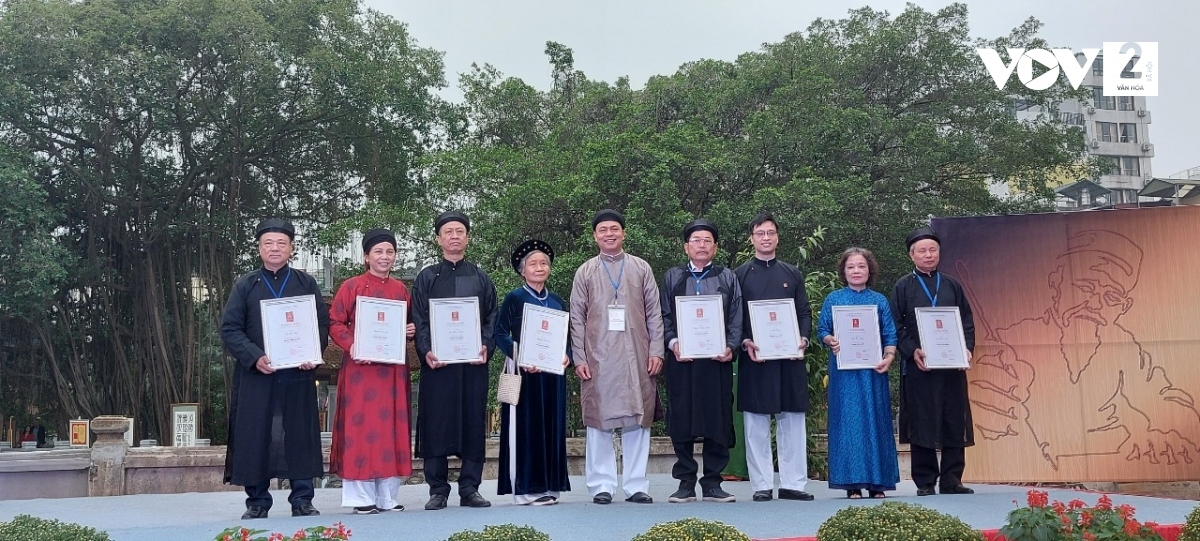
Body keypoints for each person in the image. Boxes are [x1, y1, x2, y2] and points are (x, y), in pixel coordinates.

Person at [220, 218, 329, 519]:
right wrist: (254, 356)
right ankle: (257, 502)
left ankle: (302, 499)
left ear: (291, 248)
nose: (275, 248)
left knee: (300, 433)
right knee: (256, 434)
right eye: (268, 243)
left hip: (297, 374)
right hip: (258, 374)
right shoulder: (245, 285)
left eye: (281, 243)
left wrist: (312, 353)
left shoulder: (305, 283)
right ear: (259, 248)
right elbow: (230, 328)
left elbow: (321, 324)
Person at [569, 209, 664, 505]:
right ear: (595, 236)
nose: (609, 234)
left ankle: (636, 484)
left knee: (638, 418)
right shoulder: (585, 271)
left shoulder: (641, 268)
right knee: (599, 420)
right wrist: (579, 357)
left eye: (614, 229)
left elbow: (654, 314)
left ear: (624, 233)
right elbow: (576, 319)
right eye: (603, 230)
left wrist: (657, 350)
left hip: (637, 354)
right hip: (598, 357)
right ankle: (602, 485)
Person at [411, 210, 498, 510]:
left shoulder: (480, 277)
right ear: (439, 239)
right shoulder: (426, 278)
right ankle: (437, 489)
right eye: (448, 232)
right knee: (437, 422)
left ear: (467, 238)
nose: (454, 236)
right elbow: (419, 319)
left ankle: (470, 487)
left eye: (460, 231)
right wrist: (426, 351)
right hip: (439, 366)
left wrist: (486, 346)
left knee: (473, 421)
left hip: (472, 365)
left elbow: (492, 318)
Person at [328, 229, 417, 514]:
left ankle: (387, 497)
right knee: (361, 428)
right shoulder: (351, 286)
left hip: (391, 371)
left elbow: (408, 324)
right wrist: (352, 344)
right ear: (366, 256)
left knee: (391, 428)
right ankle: (360, 498)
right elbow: (334, 323)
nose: (384, 257)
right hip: (360, 370)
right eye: (378, 251)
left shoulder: (401, 290)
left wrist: (410, 330)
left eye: (389, 252)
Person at [661, 218, 744, 504]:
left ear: (715, 247)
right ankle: (685, 481)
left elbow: (736, 317)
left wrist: (731, 346)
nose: (701, 245)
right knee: (681, 418)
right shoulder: (673, 277)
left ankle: (712, 482)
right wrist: (672, 343)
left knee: (717, 418)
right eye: (696, 240)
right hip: (681, 360)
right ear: (686, 247)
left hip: (716, 360)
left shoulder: (727, 277)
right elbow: (664, 316)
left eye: (707, 240)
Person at [733, 213, 814, 502]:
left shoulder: (792, 273)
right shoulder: (739, 275)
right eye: (760, 233)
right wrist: (745, 341)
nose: (766, 238)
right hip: (756, 358)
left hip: (789, 358)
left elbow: (804, 313)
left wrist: (803, 339)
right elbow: (734, 317)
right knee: (756, 422)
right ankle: (762, 484)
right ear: (752, 238)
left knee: (792, 419)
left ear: (778, 237)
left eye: (770, 233)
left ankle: (794, 483)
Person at [891, 227, 975, 496]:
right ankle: (925, 481)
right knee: (922, 420)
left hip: (951, 365)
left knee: (954, 419)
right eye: (922, 251)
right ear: (911, 255)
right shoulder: (903, 287)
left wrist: (967, 349)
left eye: (933, 249)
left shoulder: (952, 285)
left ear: (939, 253)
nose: (928, 255)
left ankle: (952, 479)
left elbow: (967, 322)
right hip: (920, 367)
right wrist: (912, 350)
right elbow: (896, 326)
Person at [494, 239, 572, 505]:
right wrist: (520, 355)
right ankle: (526, 489)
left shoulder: (558, 301)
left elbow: (567, 338)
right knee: (527, 429)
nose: (539, 268)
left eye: (544, 263)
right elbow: (500, 333)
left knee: (552, 427)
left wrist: (567, 356)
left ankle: (550, 486)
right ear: (522, 270)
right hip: (525, 374)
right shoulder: (515, 298)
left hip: (552, 376)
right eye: (533, 264)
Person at [818, 247, 900, 499]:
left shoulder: (880, 300)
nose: (856, 271)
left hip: (873, 371)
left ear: (869, 270)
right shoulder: (833, 299)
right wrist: (830, 340)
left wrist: (889, 356)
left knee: (875, 421)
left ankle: (878, 484)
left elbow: (890, 334)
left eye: (861, 266)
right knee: (848, 423)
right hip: (845, 373)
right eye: (851, 266)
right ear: (843, 271)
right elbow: (822, 330)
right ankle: (851, 483)